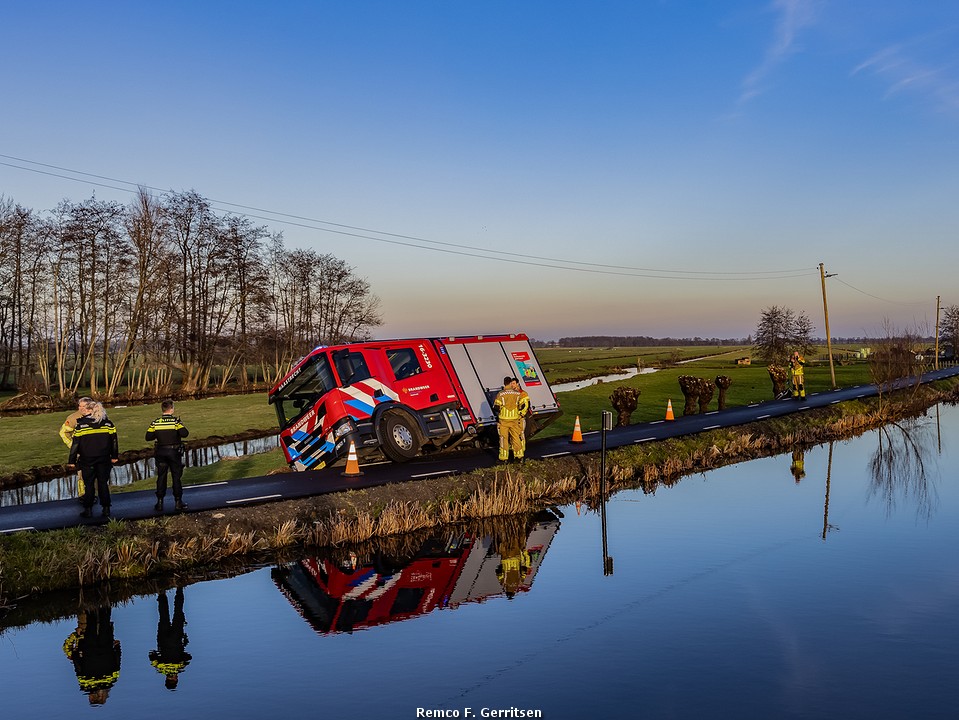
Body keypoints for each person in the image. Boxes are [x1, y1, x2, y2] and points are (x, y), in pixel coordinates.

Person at [67, 401, 119, 518]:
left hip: (87, 460)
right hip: (104, 459)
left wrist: (72, 461)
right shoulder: (109, 424)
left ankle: (88, 510)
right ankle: (106, 509)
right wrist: (114, 456)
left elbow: (76, 445)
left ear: (90, 411)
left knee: (89, 485)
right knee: (103, 484)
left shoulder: (81, 426)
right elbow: (114, 442)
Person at [63, 605, 122, 705]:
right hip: (89, 650)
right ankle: (91, 602)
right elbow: (78, 665)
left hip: (106, 649)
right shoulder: (85, 684)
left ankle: (105, 601)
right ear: (94, 698)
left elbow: (117, 662)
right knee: (91, 624)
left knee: (105, 622)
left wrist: (117, 648)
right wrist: (76, 652)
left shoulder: (111, 681)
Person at [146, 400, 190, 512]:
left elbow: (148, 436)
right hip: (174, 453)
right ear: (172, 409)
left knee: (161, 477)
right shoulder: (175, 422)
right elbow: (185, 434)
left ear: (162, 409)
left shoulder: (155, 422)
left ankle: (160, 502)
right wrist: (180, 424)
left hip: (160, 452)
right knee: (176, 477)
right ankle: (178, 502)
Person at [149, 587, 192, 690]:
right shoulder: (160, 668)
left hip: (177, 638)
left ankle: (179, 589)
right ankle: (162, 593)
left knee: (178, 611)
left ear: (176, 679)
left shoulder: (180, 666)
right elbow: (151, 655)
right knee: (163, 615)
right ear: (166, 679)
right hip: (163, 639)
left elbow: (189, 657)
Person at [59, 397, 94, 504]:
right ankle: (83, 495)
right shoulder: (73, 418)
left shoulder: (98, 415)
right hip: (82, 452)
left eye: (84, 406)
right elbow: (63, 433)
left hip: (97, 450)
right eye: (80, 406)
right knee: (82, 475)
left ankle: (93, 495)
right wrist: (73, 446)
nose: (81, 408)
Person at [493, 376, 530, 462]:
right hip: (515, 420)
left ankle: (504, 458)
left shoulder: (500, 394)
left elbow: (496, 407)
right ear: (510, 383)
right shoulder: (518, 393)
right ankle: (519, 456)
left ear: (504, 383)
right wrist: (521, 413)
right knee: (516, 438)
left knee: (503, 438)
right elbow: (524, 404)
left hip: (503, 420)